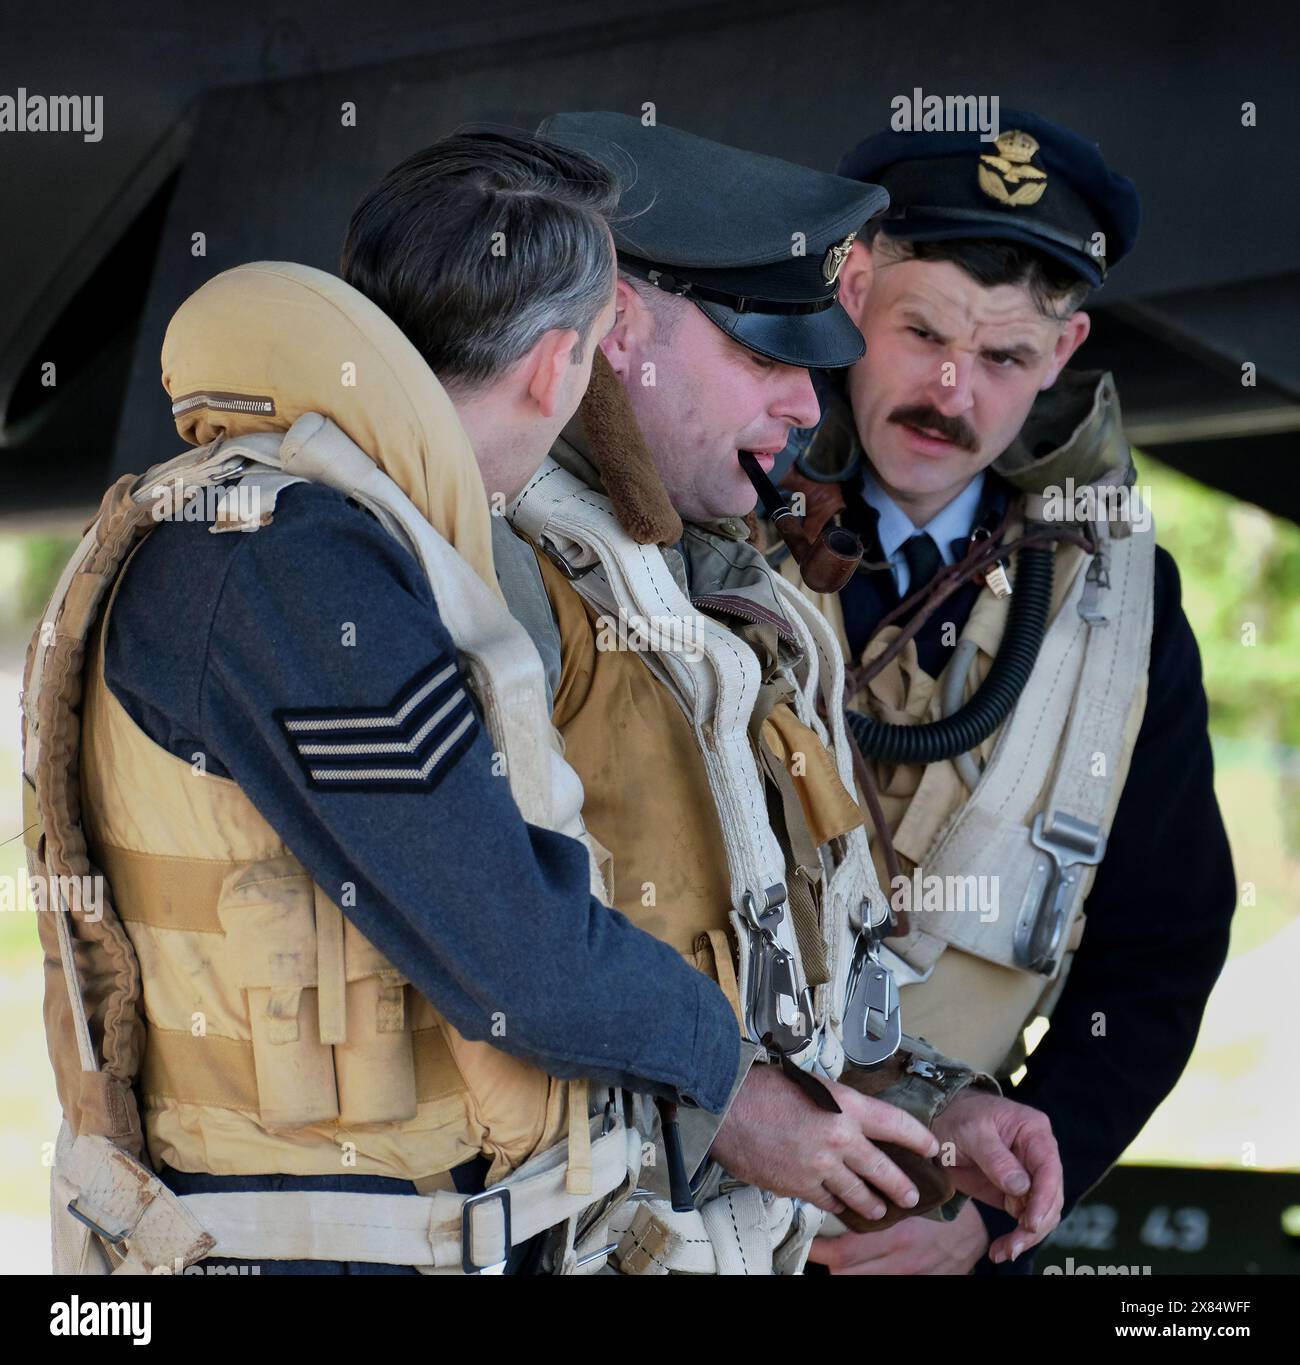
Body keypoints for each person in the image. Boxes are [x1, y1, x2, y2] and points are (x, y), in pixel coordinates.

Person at [24, 130, 766, 1277]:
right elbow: (516, 963)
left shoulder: (309, 537)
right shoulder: (286, 561)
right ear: (555, 368)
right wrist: (721, 1054)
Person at [426, 110, 1067, 1274]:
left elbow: (773, 983)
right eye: (767, 357)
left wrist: (925, 1100)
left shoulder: (717, 589)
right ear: (617, 327)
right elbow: (467, 966)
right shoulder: (478, 572)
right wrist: (725, 1102)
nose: (807, 411)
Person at [760, 111, 1235, 1275]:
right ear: (851, 294)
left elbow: (1158, 948)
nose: (949, 390)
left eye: (1008, 358)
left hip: (935, 1219)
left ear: (1066, 352)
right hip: (685, 1199)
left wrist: (984, 1222)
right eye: (919, 330)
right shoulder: (713, 536)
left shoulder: (1119, 607)